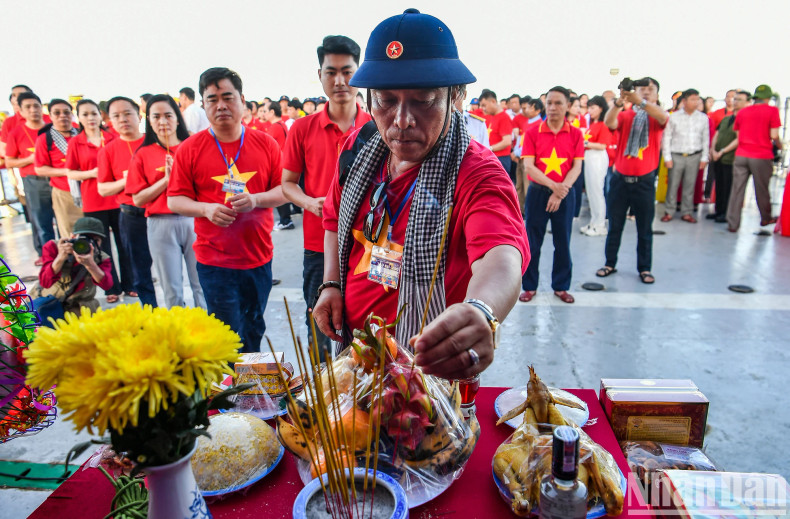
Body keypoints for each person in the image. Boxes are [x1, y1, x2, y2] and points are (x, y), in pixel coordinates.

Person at [314, 9, 529, 380]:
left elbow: (501, 255)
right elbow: (333, 218)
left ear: (455, 97)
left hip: (428, 381)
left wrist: (482, 309)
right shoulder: (360, 149)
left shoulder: (476, 171)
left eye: (424, 100)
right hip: (356, 360)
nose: (401, 120)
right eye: (385, 100)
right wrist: (331, 284)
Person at [168, 67, 286, 353]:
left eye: (227, 97)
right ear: (203, 105)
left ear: (242, 100)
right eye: (212, 99)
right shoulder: (190, 148)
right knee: (226, 335)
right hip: (214, 262)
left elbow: (284, 191)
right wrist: (206, 209)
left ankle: (251, 392)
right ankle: (231, 394)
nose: (221, 105)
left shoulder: (266, 143)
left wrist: (256, 199)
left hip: (258, 258)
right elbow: (175, 200)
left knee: (254, 328)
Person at [282, 35, 371, 352]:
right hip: (317, 245)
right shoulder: (302, 128)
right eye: (330, 72)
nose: (339, 80)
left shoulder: (376, 127)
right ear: (319, 75)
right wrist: (309, 202)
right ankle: (320, 395)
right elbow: (287, 183)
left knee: (365, 333)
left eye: (347, 71)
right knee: (319, 329)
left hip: (366, 246)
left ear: (360, 73)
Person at [126, 94, 205, 310]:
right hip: (160, 224)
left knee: (201, 283)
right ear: (149, 121)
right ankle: (176, 336)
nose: (163, 122)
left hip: (194, 220)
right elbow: (138, 198)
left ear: (178, 118)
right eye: (156, 116)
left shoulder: (193, 147)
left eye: (168, 115)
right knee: (172, 288)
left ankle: (208, 334)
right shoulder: (142, 154)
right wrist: (166, 180)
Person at [596, 77, 668, 284]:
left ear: (656, 95)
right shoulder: (627, 115)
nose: (645, 92)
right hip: (620, 181)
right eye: (641, 89)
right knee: (615, 225)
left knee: (644, 228)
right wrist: (620, 102)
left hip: (644, 182)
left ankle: (645, 268)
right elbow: (610, 122)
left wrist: (640, 101)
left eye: (650, 89)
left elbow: (663, 117)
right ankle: (609, 263)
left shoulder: (656, 116)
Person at [519, 87, 584, 304]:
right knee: (532, 241)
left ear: (567, 105)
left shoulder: (576, 134)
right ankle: (529, 286)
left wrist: (561, 190)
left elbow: (576, 167)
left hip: (565, 193)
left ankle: (561, 286)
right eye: (549, 103)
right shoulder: (532, 132)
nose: (553, 108)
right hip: (539, 193)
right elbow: (529, 166)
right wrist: (554, 187)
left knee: (563, 241)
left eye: (558, 103)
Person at [65, 99, 130, 303]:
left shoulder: (113, 137)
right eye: (85, 114)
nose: (90, 118)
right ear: (79, 118)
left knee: (125, 244)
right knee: (102, 249)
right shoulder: (76, 142)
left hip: (118, 198)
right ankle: (111, 287)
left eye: (93, 113)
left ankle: (131, 284)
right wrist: (91, 173)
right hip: (93, 200)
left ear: (100, 115)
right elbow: (70, 172)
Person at [97, 96, 155, 305]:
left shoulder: (154, 141)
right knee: (138, 267)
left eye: (127, 113)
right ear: (109, 120)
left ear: (139, 115)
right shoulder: (108, 151)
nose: (122, 119)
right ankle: (150, 309)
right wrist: (126, 181)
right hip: (132, 215)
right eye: (116, 116)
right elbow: (103, 188)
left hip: (160, 213)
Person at [5, 92, 56, 260]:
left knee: (65, 220)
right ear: (20, 110)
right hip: (34, 181)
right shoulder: (16, 133)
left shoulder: (53, 126)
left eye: (36, 106)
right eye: (28, 107)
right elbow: (9, 161)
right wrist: (29, 159)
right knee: (42, 222)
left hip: (58, 179)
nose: (33, 110)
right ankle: (48, 257)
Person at [727, 84, 783, 232]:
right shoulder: (772, 111)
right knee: (762, 189)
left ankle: (733, 223)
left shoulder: (743, 112)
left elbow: (738, 137)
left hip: (741, 154)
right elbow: (774, 135)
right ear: (768, 98)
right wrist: (780, 145)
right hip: (761, 155)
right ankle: (766, 218)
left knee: (737, 190)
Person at [36, 216, 114, 315]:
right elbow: (45, 282)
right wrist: (60, 258)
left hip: (81, 307)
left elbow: (108, 285)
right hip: (51, 304)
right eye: (84, 238)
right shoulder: (53, 247)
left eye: (96, 240)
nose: (89, 243)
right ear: (72, 237)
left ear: (101, 242)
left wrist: (90, 265)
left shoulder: (101, 258)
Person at [34, 98, 83, 238]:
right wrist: (70, 173)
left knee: (93, 230)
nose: (62, 116)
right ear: (50, 116)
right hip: (64, 192)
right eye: (57, 113)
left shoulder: (81, 134)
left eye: (66, 112)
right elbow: (40, 169)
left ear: (72, 115)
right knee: (70, 233)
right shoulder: (45, 139)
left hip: (87, 189)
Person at [660, 88, 709, 223]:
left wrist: (704, 157)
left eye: (697, 99)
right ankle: (669, 211)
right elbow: (667, 137)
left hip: (694, 155)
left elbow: (705, 139)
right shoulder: (674, 117)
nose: (696, 102)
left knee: (689, 185)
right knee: (673, 185)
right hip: (676, 155)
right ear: (684, 101)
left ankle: (686, 212)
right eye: (692, 99)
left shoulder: (703, 118)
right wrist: (667, 157)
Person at [707, 90, 750, 223]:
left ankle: (725, 213)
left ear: (748, 103)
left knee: (728, 187)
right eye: (735, 99)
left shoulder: (746, 119)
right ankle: (718, 210)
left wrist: (722, 151)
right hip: (718, 157)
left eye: (739, 99)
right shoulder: (726, 118)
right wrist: (713, 150)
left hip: (731, 158)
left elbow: (739, 139)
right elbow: (717, 134)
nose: (735, 101)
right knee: (719, 185)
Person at [581, 95, 613, 236]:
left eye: (593, 107)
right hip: (589, 156)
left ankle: (600, 225)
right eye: (589, 107)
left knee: (597, 191)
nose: (590, 110)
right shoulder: (592, 124)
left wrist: (585, 143)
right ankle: (593, 221)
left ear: (601, 108)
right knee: (591, 191)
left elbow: (602, 145)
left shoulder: (604, 124)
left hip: (597, 157)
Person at [479, 89, 513, 181]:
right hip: (493, 157)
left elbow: (507, 141)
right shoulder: (493, 117)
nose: (482, 108)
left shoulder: (504, 117)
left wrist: (488, 149)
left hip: (501, 159)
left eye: (484, 105)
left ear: (493, 101)